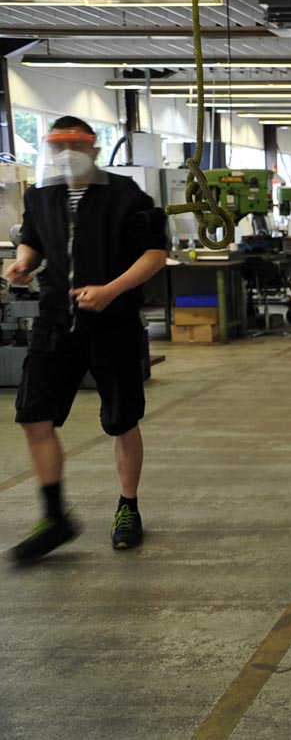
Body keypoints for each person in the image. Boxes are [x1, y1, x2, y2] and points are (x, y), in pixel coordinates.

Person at [7, 116, 167, 563]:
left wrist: (111, 290)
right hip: (55, 323)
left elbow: (155, 253)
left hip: (112, 323)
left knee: (121, 419)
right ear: (49, 148)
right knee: (34, 418)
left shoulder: (126, 196)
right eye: (58, 143)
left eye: (77, 142)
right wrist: (24, 262)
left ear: (95, 148)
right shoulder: (40, 196)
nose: (68, 151)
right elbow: (33, 241)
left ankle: (127, 508)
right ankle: (54, 516)